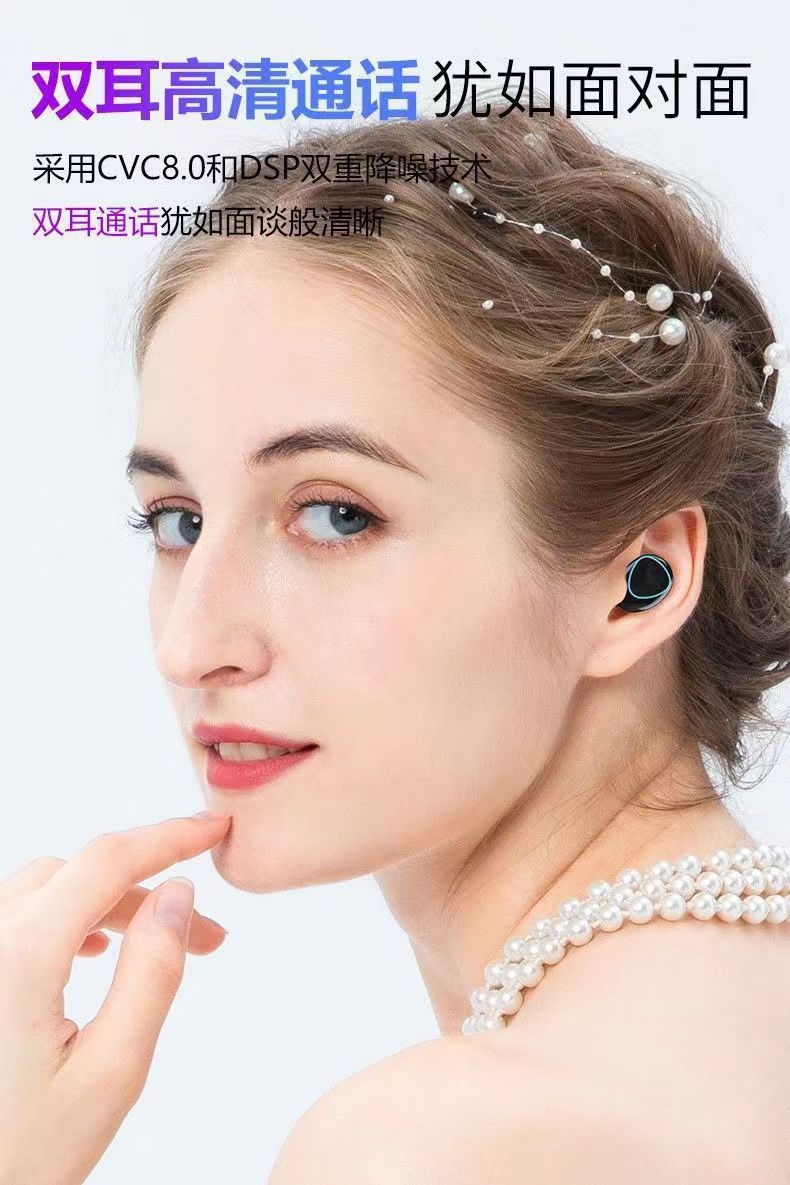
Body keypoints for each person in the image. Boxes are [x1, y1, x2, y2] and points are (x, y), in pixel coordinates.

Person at [2, 101, 790, 1183]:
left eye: (336, 515)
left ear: (635, 584)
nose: (191, 646)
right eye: (177, 522)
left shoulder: (440, 1144)